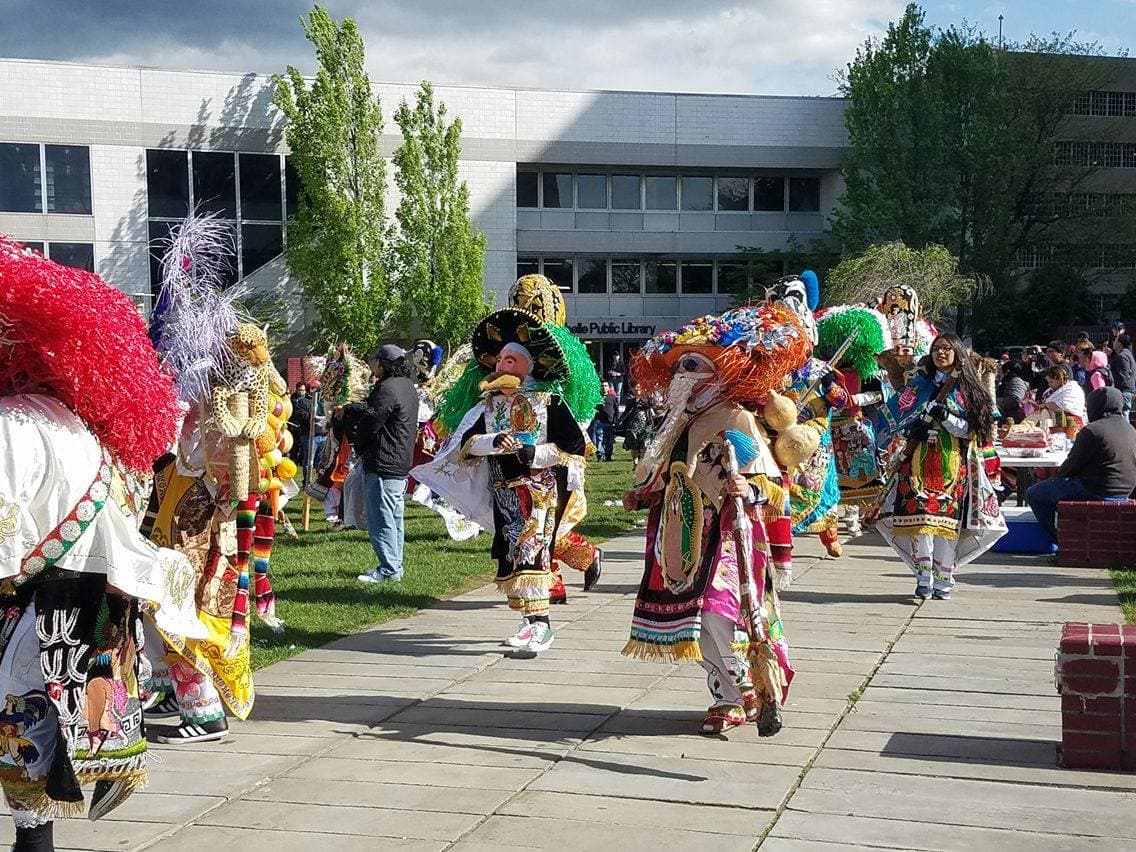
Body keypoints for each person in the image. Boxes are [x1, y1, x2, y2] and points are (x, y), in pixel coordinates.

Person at [0, 239, 203, 845]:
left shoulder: (12, 425)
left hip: (28, 609)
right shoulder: (76, 421)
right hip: (84, 607)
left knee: (25, 743)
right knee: (39, 758)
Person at [621, 303, 806, 735]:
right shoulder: (673, 425)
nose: (683, 376)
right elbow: (661, 475)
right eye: (680, 368)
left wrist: (751, 488)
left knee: (721, 614)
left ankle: (750, 686)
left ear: (718, 375)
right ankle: (729, 695)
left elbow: (772, 486)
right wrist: (642, 493)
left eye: (694, 367)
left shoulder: (736, 417)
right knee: (692, 621)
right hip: (682, 534)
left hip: (727, 532)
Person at [413, 308, 587, 655]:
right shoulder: (486, 407)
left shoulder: (548, 402)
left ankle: (541, 627)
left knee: (532, 554)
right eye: (501, 360)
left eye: (512, 360)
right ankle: (528, 623)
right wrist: (492, 443)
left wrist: (532, 454)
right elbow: (463, 446)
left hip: (539, 494)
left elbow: (573, 448)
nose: (503, 366)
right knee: (513, 557)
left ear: (528, 366)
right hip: (503, 495)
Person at [875, 332, 1005, 601]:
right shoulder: (918, 386)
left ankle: (944, 580)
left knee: (946, 525)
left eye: (947, 348)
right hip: (917, 461)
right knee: (919, 522)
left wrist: (946, 417)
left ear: (957, 352)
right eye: (937, 349)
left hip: (953, 463)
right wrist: (913, 431)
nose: (941, 353)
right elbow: (895, 419)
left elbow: (976, 429)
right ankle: (923, 578)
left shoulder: (968, 389)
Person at [1028, 386, 1136, 543]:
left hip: (1097, 488)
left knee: (1035, 494)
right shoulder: (1130, 429)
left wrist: (1053, 482)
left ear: (1094, 406)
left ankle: (1058, 540)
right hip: (1125, 489)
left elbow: (1070, 467)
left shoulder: (1093, 430)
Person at [348, 345, 418, 584]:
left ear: (382, 363)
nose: (372, 366)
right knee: (394, 517)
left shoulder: (387, 388)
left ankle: (389, 569)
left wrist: (358, 445)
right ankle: (394, 566)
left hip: (383, 461)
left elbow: (372, 421)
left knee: (381, 518)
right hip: (399, 460)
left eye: (375, 361)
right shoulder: (406, 386)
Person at [1040, 364, 1087, 429]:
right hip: (1054, 423)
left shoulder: (1072, 389)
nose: (1049, 384)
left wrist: (1045, 405)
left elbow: (1062, 405)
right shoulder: (1051, 390)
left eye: (1051, 382)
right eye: (1048, 382)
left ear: (1059, 379)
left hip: (1071, 424)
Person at [289, 381, 313, 475]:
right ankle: (293, 464)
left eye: (303, 390)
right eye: (299, 390)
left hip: (304, 427)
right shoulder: (292, 399)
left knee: (304, 448)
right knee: (294, 448)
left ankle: (301, 463)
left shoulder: (308, 399)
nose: (301, 392)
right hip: (294, 426)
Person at [1109, 333, 1136, 414]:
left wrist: (1116, 391)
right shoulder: (1128, 354)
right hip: (1127, 391)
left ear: (1120, 343)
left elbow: (1122, 377)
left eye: (1115, 341)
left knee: (1122, 418)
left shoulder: (1122, 356)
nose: (1113, 342)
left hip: (1123, 392)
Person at [592, 382, 618, 461]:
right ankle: (600, 455)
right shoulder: (597, 397)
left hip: (610, 422)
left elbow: (616, 409)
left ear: (609, 388)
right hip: (600, 422)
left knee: (609, 440)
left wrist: (616, 421)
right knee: (599, 439)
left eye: (605, 386)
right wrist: (596, 419)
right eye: (602, 386)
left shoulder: (612, 397)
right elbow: (594, 410)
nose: (604, 387)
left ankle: (608, 456)